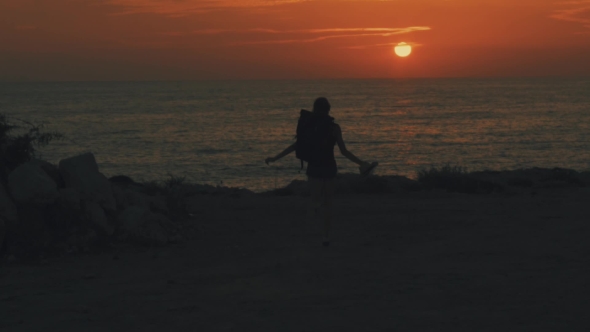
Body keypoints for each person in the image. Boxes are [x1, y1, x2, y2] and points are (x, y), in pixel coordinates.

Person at [265, 97, 375, 246]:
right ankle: (326, 236)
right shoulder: (334, 128)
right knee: (328, 204)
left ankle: (316, 209)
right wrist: (361, 163)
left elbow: (295, 146)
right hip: (329, 167)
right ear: (328, 109)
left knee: (315, 201)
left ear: (314, 109)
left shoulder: (308, 126)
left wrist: (275, 158)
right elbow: (344, 151)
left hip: (314, 168)